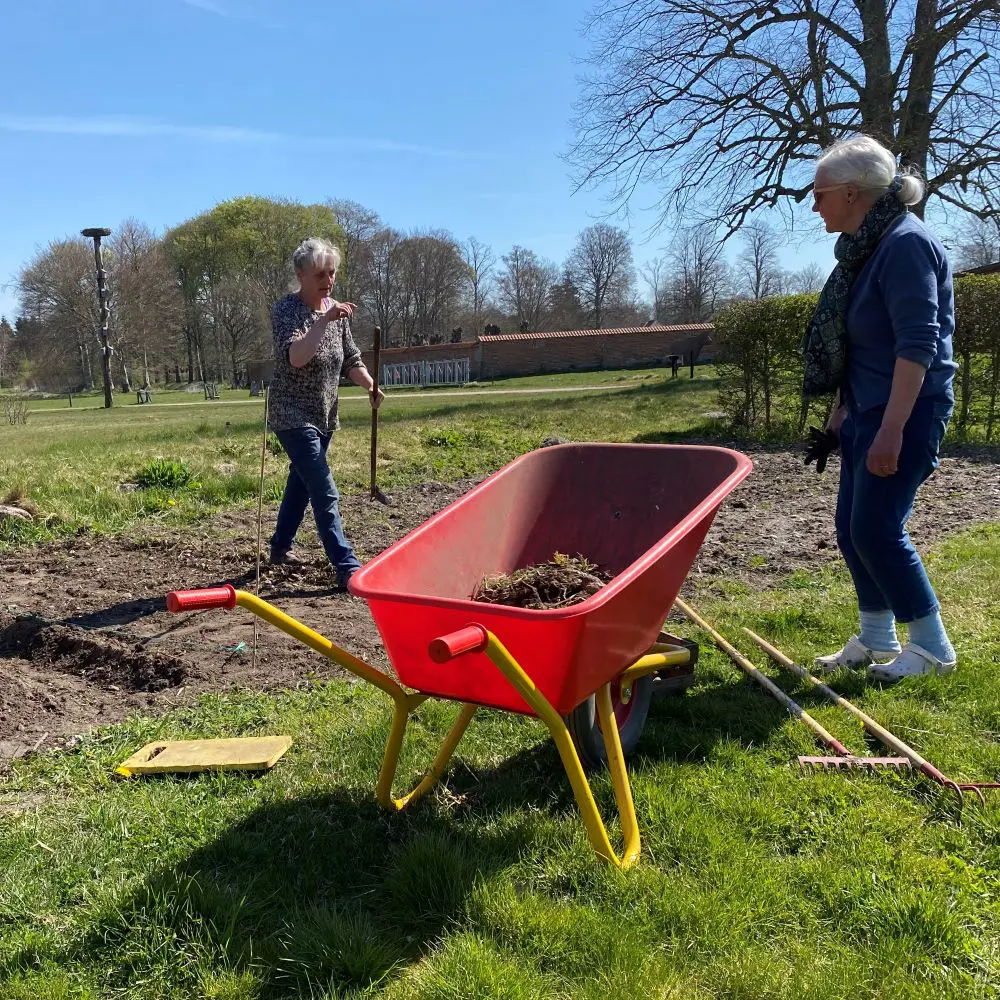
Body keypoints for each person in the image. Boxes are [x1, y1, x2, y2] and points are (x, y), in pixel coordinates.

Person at [804, 136, 958, 681]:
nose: (814, 203)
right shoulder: (866, 250)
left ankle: (933, 648)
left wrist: (892, 431)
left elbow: (917, 345)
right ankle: (875, 637)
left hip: (908, 411)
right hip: (869, 410)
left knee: (877, 528)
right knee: (852, 527)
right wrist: (839, 418)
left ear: (852, 193)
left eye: (819, 192)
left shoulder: (905, 245)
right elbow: (861, 346)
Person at [267, 237, 384, 590]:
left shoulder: (336, 311)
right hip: (291, 414)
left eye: (331, 273)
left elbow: (350, 358)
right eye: (320, 273)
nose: (327, 280)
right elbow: (296, 357)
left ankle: (280, 546)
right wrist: (324, 320)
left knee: (301, 483)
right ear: (300, 274)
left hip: (324, 414)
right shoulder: (286, 311)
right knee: (322, 486)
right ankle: (347, 566)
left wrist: (370, 385)